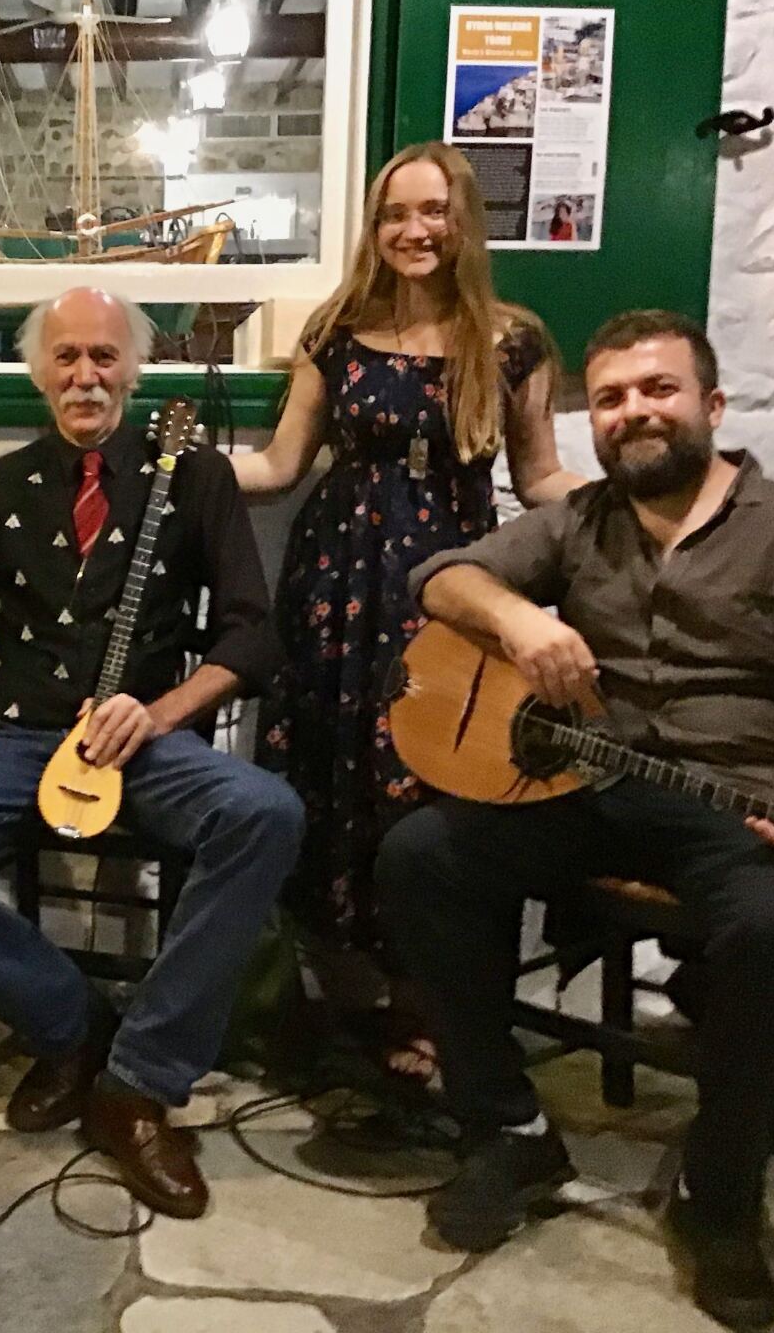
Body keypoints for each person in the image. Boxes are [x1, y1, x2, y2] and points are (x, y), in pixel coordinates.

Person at [378, 310, 774, 1329]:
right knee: (421, 856)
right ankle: (512, 1128)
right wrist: (520, 616)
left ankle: (720, 1193)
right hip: (593, 788)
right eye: (611, 398)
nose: (633, 413)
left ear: (710, 405)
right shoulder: (578, 522)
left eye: (656, 390)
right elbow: (438, 576)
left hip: (734, 802)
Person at [0, 286, 305, 1219]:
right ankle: (68, 1025)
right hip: (13, 732)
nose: (86, 376)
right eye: (67, 358)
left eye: (104, 357)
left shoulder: (194, 478)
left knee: (265, 814)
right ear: (37, 371)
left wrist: (164, 711)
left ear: (135, 369)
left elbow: (251, 635)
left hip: (141, 737)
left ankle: (136, 1079)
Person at [230, 141, 582, 1081]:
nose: (413, 231)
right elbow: (277, 466)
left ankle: (431, 1003)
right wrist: (180, 470)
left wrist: (637, 501)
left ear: (464, 220)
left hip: (454, 582)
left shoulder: (514, 340)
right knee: (331, 771)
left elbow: (540, 476)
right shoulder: (337, 328)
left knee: (433, 777)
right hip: (337, 582)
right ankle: (346, 1003)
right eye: (394, 214)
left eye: (432, 212)